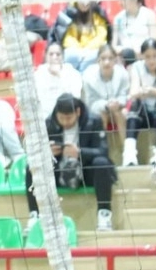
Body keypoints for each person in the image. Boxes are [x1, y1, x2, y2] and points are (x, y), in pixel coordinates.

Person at [33, 93, 116, 232]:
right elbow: (35, 154)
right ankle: (34, 216)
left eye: (69, 118)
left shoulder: (93, 121)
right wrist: (48, 153)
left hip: (85, 171)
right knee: (32, 167)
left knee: (102, 163)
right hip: (59, 171)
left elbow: (103, 151)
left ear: (78, 112)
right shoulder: (49, 123)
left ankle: (104, 215)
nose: (65, 122)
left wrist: (80, 153)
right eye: (61, 118)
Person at [80, 45, 134, 166]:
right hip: (97, 110)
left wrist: (118, 103)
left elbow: (124, 95)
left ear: (115, 60)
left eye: (110, 58)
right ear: (97, 60)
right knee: (101, 116)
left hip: (117, 109)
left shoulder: (122, 74)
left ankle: (128, 154)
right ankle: (102, 153)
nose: (106, 62)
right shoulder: (88, 76)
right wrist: (105, 105)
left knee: (120, 114)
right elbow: (89, 102)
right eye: (103, 58)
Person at [55, 2, 110, 66]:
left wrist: (87, 50)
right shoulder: (68, 14)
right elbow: (67, 38)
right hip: (75, 51)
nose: (85, 3)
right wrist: (80, 51)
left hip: (92, 51)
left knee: (94, 55)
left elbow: (101, 37)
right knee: (70, 54)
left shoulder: (98, 14)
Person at [33, 41, 83, 111]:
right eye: (51, 54)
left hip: (66, 111)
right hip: (45, 112)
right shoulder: (38, 74)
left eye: (58, 54)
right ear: (45, 56)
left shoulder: (73, 74)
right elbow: (37, 99)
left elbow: (75, 97)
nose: (54, 57)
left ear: (63, 57)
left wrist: (59, 75)